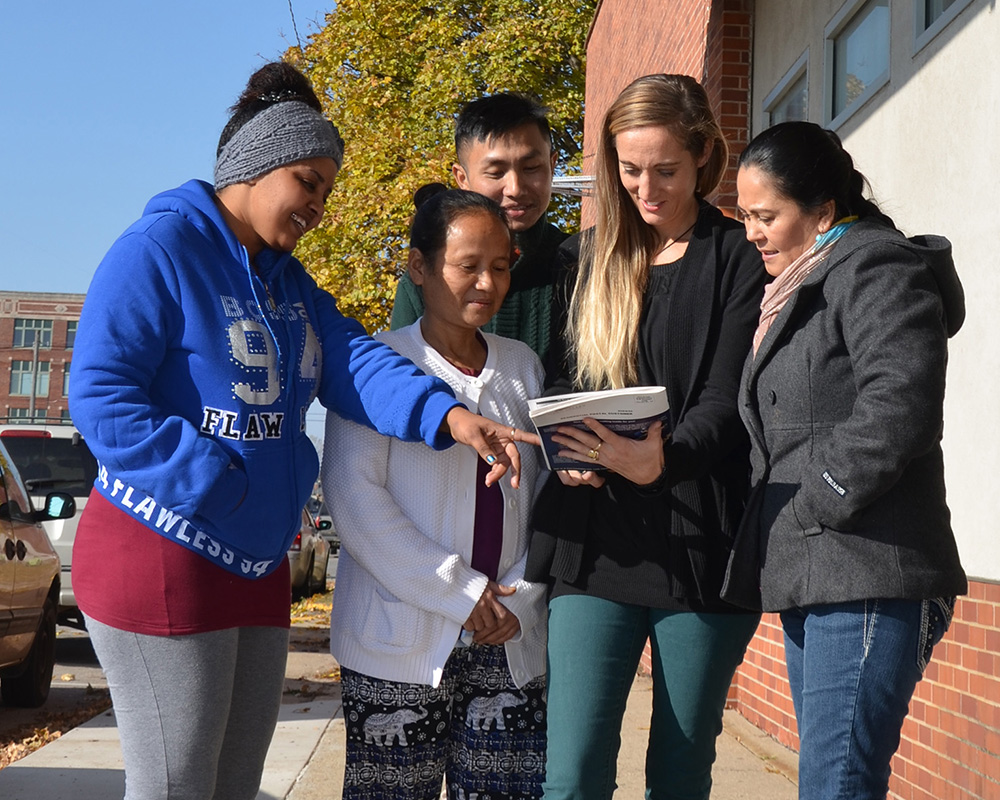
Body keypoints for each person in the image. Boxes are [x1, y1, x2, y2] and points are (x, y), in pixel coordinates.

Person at [68, 63, 533, 800]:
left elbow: (354, 362)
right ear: (252, 166)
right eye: (307, 182)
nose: (317, 206)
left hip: (255, 567)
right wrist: (215, 482)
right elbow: (100, 396)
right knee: (175, 786)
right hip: (162, 550)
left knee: (233, 786)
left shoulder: (289, 283)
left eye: (325, 191)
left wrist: (447, 415)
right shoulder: (159, 249)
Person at [526, 74, 766, 800]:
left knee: (679, 776)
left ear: (703, 155)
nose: (646, 188)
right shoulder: (583, 258)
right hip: (594, 546)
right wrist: (566, 451)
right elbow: (563, 380)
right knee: (570, 776)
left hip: (701, 550)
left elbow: (727, 399)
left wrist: (662, 461)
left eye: (666, 169)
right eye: (630, 169)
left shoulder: (738, 254)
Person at [724, 120, 967, 800]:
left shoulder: (875, 266)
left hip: (867, 565)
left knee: (838, 786)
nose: (752, 232)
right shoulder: (801, 283)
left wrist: (819, 499)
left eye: (766, 216)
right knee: (832, 783)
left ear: (824, 211)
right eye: (745, 216)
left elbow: (901, 403)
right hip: (818, 567)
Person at [323, 185, 548, 800]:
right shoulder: (376, 366)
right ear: (419, 267)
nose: (487, 283)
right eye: (467, 266)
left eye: (500, 266)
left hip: (508, 635)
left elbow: (544, 499)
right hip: (397, 640)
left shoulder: (524, 368)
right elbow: (353, 498)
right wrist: (459, 592)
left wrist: (521, 596)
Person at [390, 93, 570, 362]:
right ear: (462, 178)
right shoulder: (430, 274)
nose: (515, 188)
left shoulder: (581, 264)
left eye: (531, 168)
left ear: (553, 165)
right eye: (496, 173)